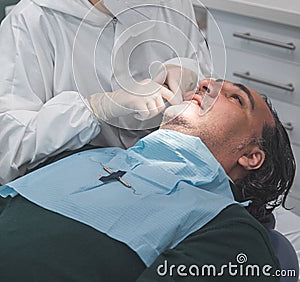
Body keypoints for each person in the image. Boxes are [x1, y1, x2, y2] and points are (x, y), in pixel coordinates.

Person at [0, 0, 211, 184]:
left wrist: (189, 73)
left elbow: (204, 80)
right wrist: (96, 109)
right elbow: (9, 148)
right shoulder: (34, 21)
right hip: (75, 185)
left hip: (161, 176)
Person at [0, 78, 296, 281]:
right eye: (212, 82)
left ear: (251, 156)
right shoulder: (88, 157)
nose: (205, 84)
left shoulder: (230, 230)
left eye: (235, 98)